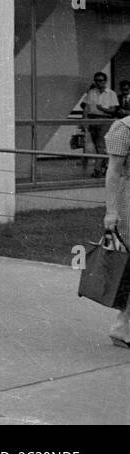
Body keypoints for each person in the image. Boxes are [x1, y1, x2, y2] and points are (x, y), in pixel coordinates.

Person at [100, 114, 130, 348]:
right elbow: (113, 172)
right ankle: (122, 327)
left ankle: (123, 327)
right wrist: (111, 211)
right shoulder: (123, 128)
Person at [82, 73, 119, 178]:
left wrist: (102, 108)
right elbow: (86, 108)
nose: (98, 82)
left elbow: (113, 110)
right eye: (96, 80)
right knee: (96, 146)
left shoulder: (111, 94)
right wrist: (85, 122)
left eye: (101, 80)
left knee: (100, 145)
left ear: (105, 81)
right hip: (93, 119)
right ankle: (104, 168)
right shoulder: (91, 92)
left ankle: (98, 170)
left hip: (104, 119)